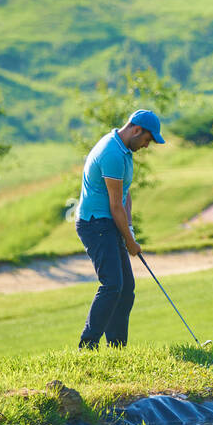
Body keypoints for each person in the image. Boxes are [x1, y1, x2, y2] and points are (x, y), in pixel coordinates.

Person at [75, 110, 164, 348]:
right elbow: (115, 206)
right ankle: (88, 345)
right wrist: (130, 242)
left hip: (109, 222)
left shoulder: (125, 150)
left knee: (126, 290)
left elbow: (125, 193)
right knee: (112, 284)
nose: (147, 145)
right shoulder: (112, 152)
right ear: (136, 130)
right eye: (147, 139)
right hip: (95, 224)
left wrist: (130, 229)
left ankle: (116, 349)